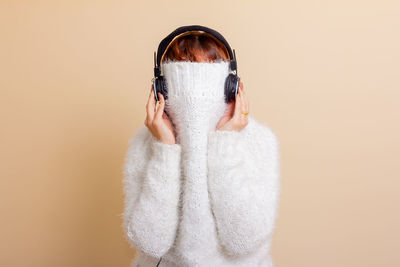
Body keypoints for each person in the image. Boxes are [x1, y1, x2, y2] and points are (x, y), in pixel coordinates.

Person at [122, 25, 281, 267]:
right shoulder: (146, 143)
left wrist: (225, 144)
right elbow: (150, 243)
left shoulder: (259, 140)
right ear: (160, 89)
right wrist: (165, 150)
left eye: (208, 71)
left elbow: (244, 240)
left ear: (232, 87)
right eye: (183, 71)